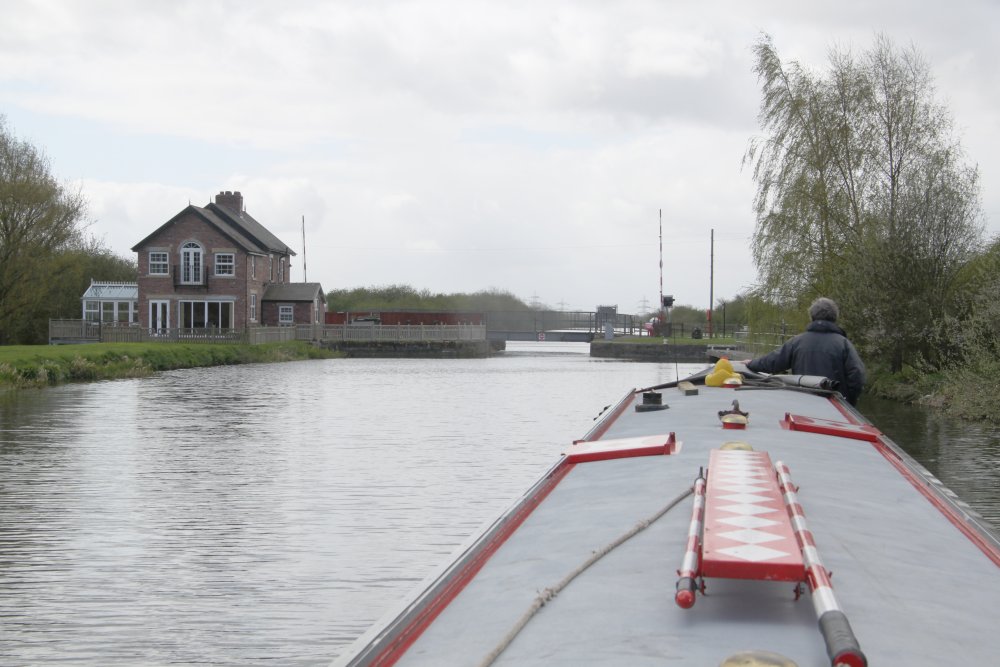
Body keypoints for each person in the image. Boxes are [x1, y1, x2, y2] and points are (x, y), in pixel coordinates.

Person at [745, 297, 866, 405]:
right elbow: (857, 376)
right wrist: (848, 401)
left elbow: (773, 362)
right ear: (835, 317)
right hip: (834, 405)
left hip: (803, 401)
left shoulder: (797, 342)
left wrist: (751, 363)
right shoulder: (844, 344)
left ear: (812, 317)